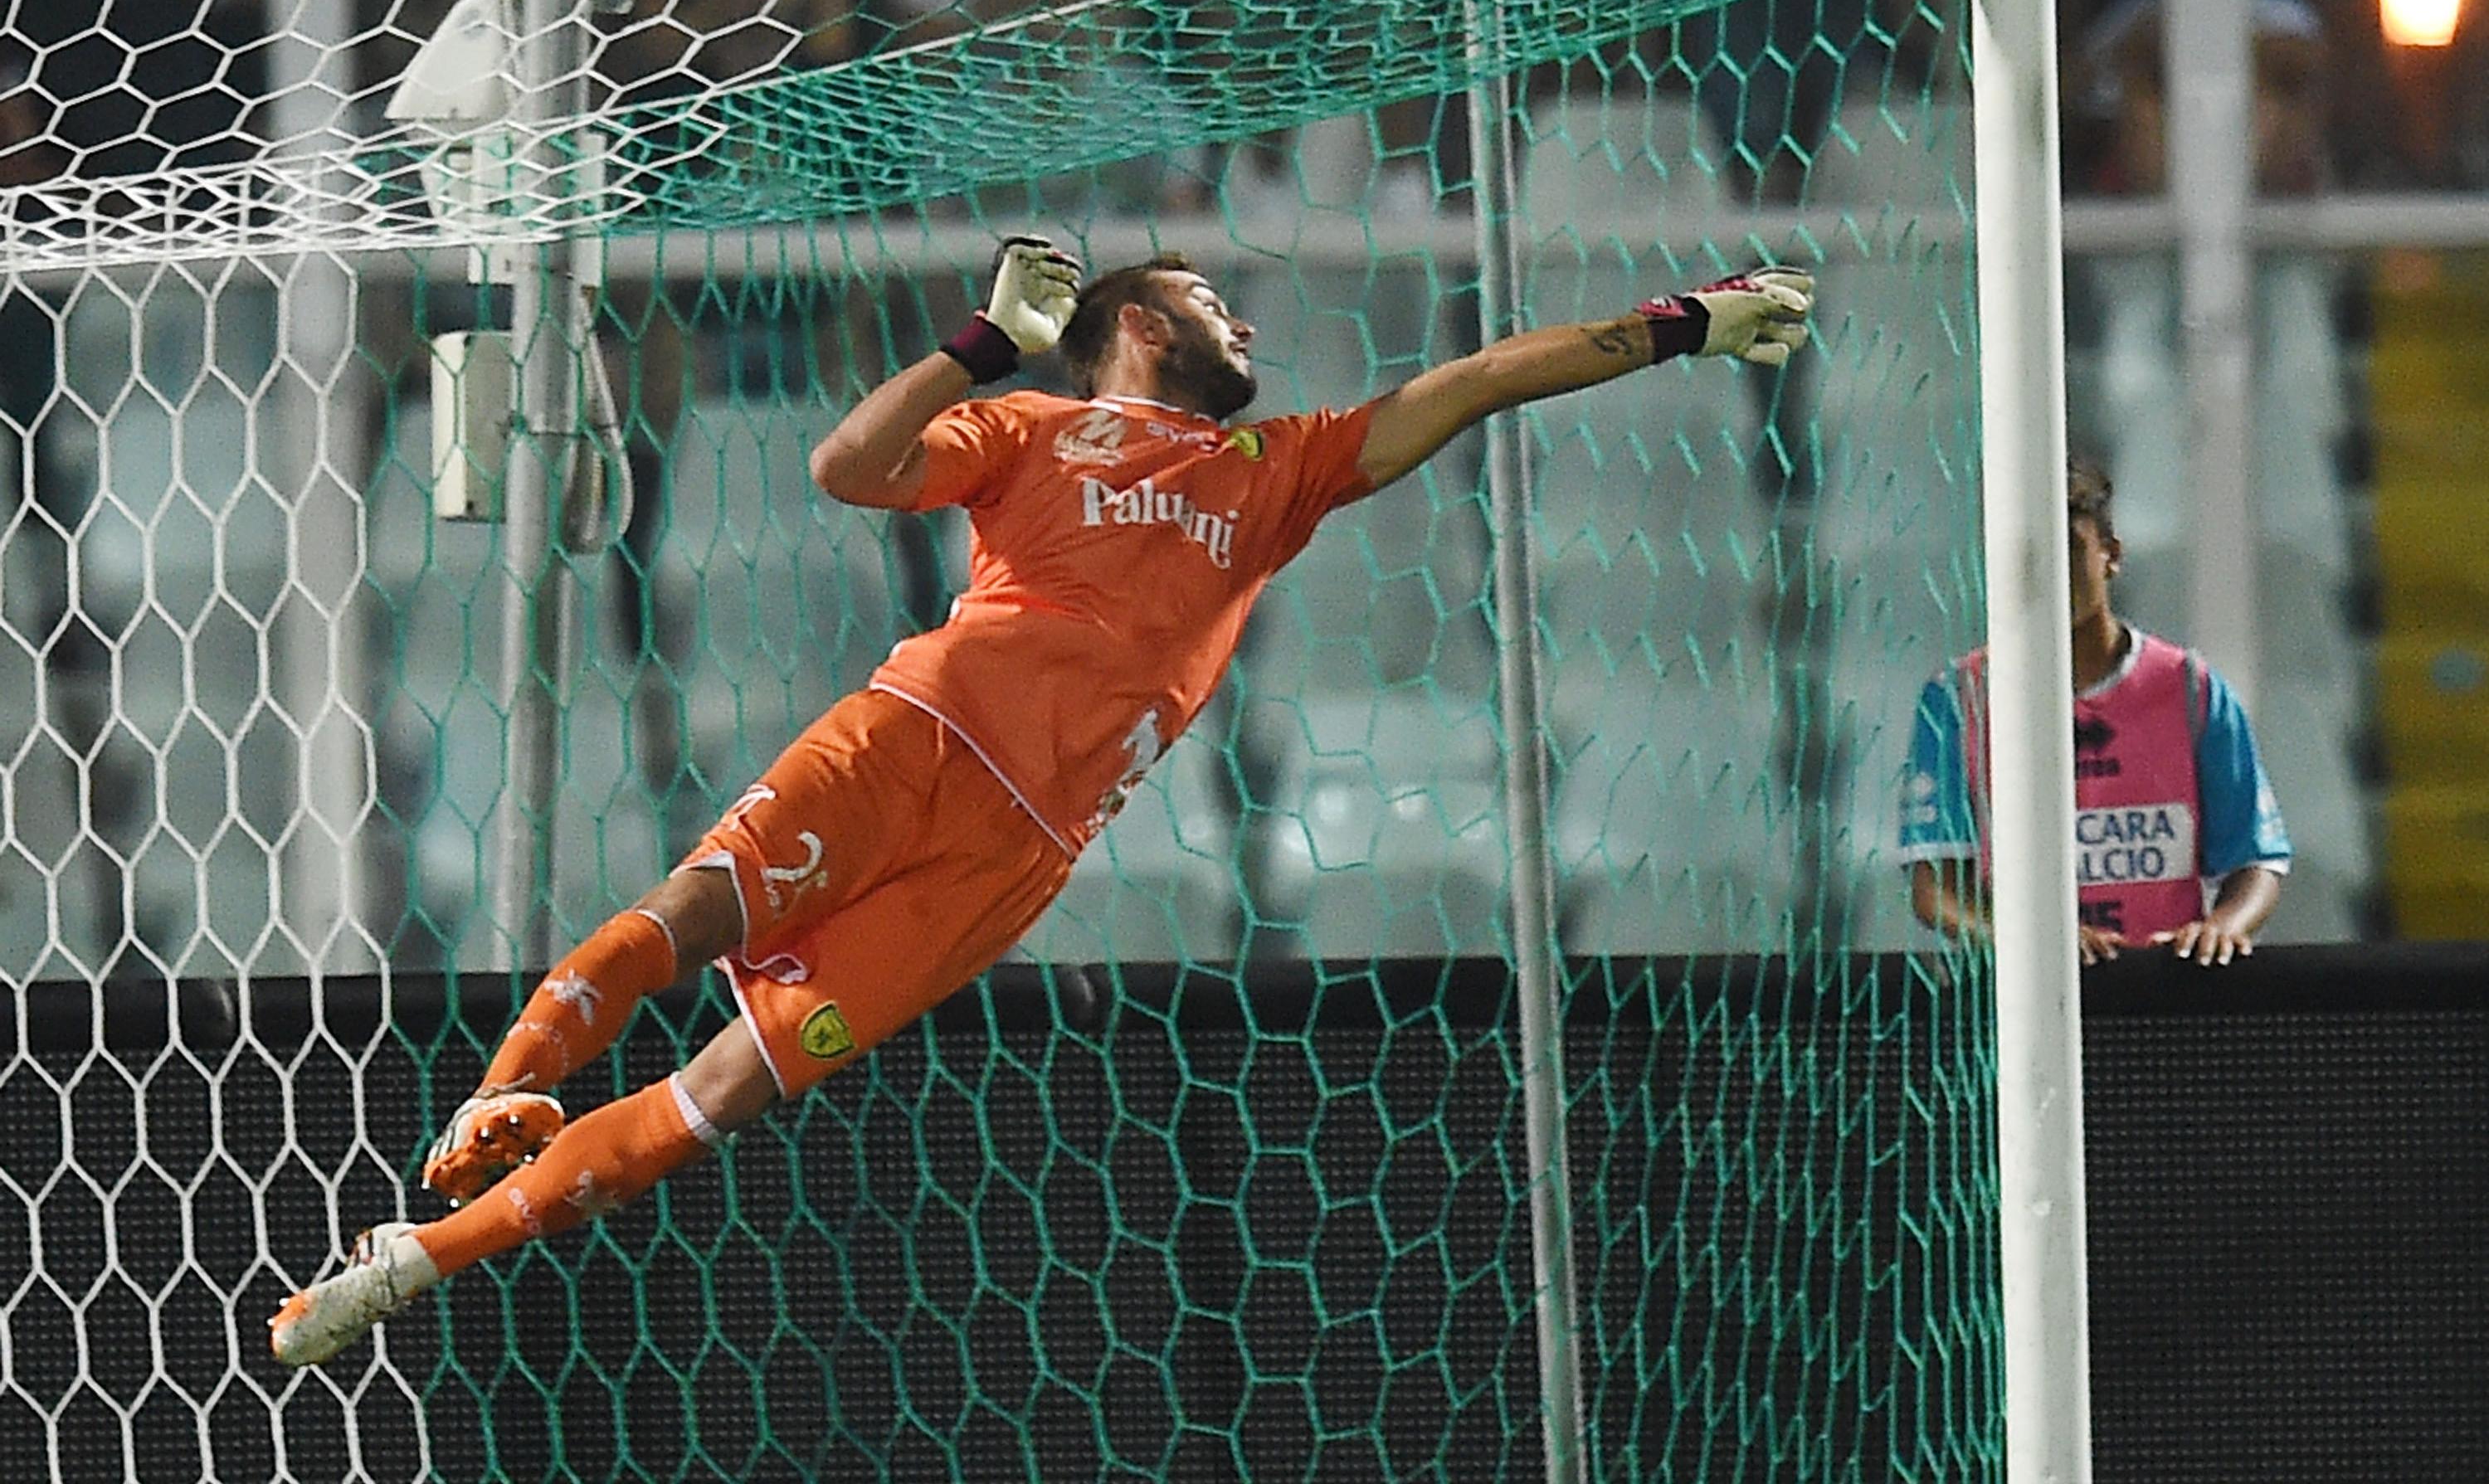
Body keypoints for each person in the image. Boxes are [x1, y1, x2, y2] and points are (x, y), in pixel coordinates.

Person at [269, 239, 1814, 1367]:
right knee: (679, 923)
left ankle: (413, 1259)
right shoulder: (1024, 430)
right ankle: (497, 1100)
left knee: (724, 1094)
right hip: (920, 733)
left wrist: (1682, 325)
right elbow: (847, 468)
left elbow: (1471, 384)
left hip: (1014, 858)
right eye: (1214, 297)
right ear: (1139, 322)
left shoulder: (1270, 467)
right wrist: (976, 348)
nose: (1245, 318)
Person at [1898, 459, 2292, 967]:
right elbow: (1935, 891)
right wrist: (2028, 949)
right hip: (2019, 1018)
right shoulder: (1957, 698)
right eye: (2028, 555)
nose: (2051, 574)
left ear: (2112, 554)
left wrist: (2222, 926)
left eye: (2069, 548)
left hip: (2163, 997)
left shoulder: (2191, 689)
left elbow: (2256, 859)